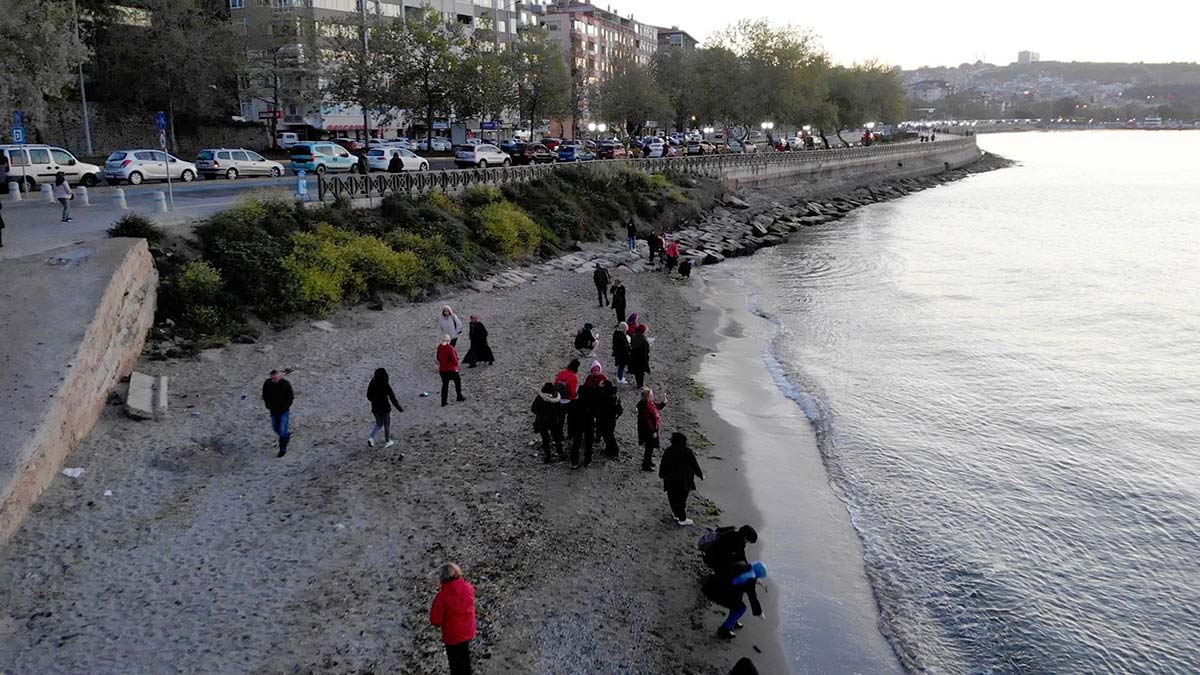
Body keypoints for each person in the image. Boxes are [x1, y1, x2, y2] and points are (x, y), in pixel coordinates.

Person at [430, 562, 477, 675]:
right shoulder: (468, 588)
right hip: (467, 631)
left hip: (452, 636)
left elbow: (436, 620)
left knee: (455, 664)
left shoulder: (442, 597)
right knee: (465, 660)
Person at [703, 561, 767, 640]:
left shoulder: (741, 565)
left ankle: (733, 621)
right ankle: (724, 630)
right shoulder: (750, 580)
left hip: (711, 583)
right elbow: (753, 598)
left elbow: (738, 576)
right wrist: (759, 613)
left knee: (738, 597)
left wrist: (756, 580)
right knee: (741, 608)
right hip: (718, 593)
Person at [659, 432, 704, 526]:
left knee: (672, 498)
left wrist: (662, 474)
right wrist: (700, 475)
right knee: (681, 499)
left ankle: (676, 514)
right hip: (684, 480)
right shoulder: (687, 451)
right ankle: (682, 519)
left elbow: (663, 464)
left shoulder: (668, 451)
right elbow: (694, 465)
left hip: (670, 480)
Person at [572, 361, 608, 467]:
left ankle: (575, 461)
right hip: (589, 420)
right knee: (588, 442)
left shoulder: (579, 399)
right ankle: (587, 460)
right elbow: (596, 396)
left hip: (580, 421)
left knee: (577, 441)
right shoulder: (592, 399)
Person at [366, 367, 403, 449]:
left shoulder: (373, 382)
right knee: (386, 424)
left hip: (375, 407)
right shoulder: (386, 385)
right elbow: (392, 398)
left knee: (379, 424)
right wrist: (399, 408)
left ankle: (371, 437)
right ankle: (387, 441)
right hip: (385, 408)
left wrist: (373, 401)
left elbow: (368, 395)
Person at [261, 369, 294, 458]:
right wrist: (268, 405)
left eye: (275, 378)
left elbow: (290, 396)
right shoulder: (267, 383)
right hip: (273, 410)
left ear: (279, 376)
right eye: (273, 378)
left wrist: (285, 407)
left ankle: (282, 449)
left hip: (283, 411)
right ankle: (286, 436)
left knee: (282, 429)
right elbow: (264, 395)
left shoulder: (285, 384)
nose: (274, 380)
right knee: (276, 428)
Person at [531, 383, 564, 463]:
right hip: (554, 421)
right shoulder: (556, 398)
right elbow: (560, 411)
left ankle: (548, 457)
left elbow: (534, 409)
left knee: (545, 440)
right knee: (557, 437)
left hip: (542, 422)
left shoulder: (540, 398)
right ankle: (560, 453)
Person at [636, 387, 666, 471]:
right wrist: (653, 431)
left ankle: (648, 462)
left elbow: (658, 407)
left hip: (652, 428)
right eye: (651, 395)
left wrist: (664, 403)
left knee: (651, 447)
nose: (653, 397)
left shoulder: (650, 404)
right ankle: (645, 465)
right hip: (648, 431)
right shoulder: (645, 407)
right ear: (647, 397)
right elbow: (647, 421)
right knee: (649, 448)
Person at [593, 379, 622, 459]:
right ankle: (611, 450)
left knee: (608, 436)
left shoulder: (606, 397)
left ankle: (613, 451)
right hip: (611, 420)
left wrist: (598, 388)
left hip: (605, 420)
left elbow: (596, 397)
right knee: (609, 435)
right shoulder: (612, 395)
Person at [437, 336, 466, 406]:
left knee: (445, 385)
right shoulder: (450, 348)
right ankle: (459, 396)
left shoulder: (440, 347)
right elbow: (454, 359)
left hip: (442, 370)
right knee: (457, 381)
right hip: (450, 369)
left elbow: (438, 357)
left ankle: (443, 401)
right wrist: (456, 367)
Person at [628, 324, 651, 388]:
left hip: (634, 357)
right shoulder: (644, 340)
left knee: (636, 372)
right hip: (641, 359)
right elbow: (646, 351)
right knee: (640, 373)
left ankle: (638, 383)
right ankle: (640, 385)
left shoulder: (633, 336)